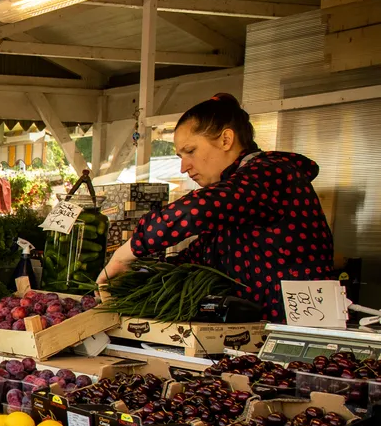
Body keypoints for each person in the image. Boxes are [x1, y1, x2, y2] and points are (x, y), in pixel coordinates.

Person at [97, 93, 335, 321]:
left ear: (226, 140)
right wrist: (142, 278)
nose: (184, 167)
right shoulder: (239, 199)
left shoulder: (270, 173)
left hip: (294, 333)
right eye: (180, 156)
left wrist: (126, 254)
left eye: (190, 151)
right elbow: (206, 253)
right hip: (256, 334)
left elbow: (197, 209)